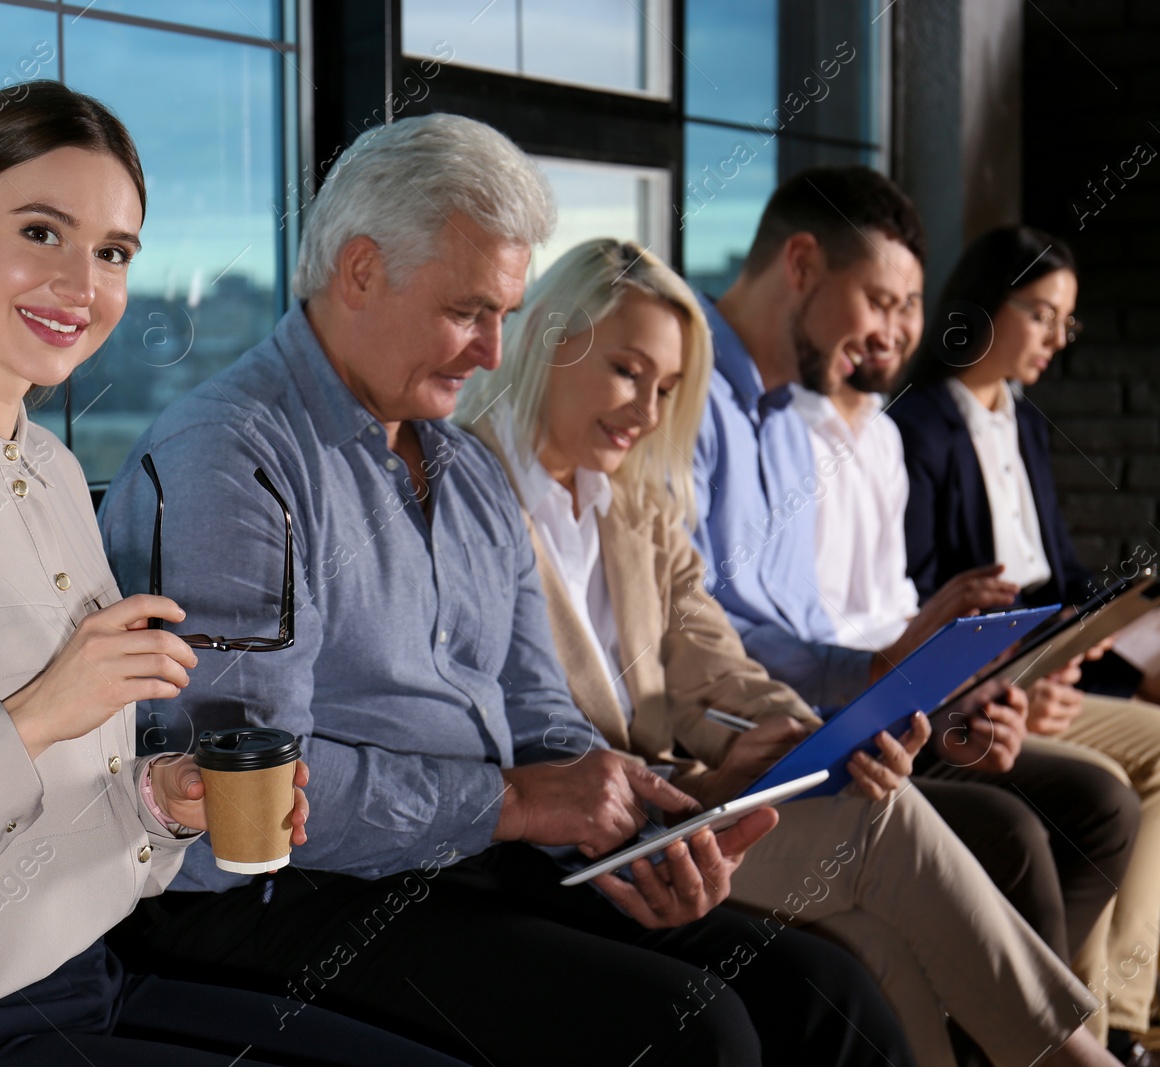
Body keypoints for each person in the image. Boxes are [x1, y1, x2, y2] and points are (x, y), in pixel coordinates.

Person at [100, 114, 915, 1067]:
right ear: (361, 270)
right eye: (468, 311)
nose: (493, 352)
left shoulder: (468, 470)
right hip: (276, 898)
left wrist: (629, 820)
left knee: (829, 997)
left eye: (504, 316)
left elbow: (536, 708)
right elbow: (246, 797)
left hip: (471, 860)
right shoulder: (234, 460)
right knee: (697, 1030)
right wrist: (519, 805)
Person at [0, 82, 470, 1067]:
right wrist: (40, 710)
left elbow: (49, 805)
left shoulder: (48, 470)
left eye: (113, 251)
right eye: (42, 231)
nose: (82, 282)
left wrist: (160, 799)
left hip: (81, 978)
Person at [457, 236, 1111, 1067]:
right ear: (550, 342)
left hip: (681, 816)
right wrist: (717, 780)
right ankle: (1077, 1058)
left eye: (665, 388)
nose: (650, 413)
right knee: (883, 826)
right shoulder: (471, 499)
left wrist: (823, 742)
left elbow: (720, 668)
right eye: (629, 372)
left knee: (873, 938)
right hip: (580, 844)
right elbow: (514, 734)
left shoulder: (637, 512)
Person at [687, 165, 1140, 1011]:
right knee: (1030, 826)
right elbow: (717, 639)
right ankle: (1058, 1029)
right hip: (789, 721)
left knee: (1090, 804)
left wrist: (946, 684)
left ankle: (1056, 1026)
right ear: (800, 264)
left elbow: (843, 618)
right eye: (882, 302)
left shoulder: (794, 418)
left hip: (853, 697)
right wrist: (900, 674)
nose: (896, 330)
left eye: (908, 308)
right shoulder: (734, 408)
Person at [892, 225, 1160, 1064]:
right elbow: (926, 596)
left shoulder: (1022, 420)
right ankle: (1084, 1024)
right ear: (983, 307)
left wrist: (1114, 627)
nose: (1053, 337)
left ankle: (1121, 1012)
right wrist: (1018, 672)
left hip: (1046, 661)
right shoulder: (919, 426)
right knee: (1111, 784)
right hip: (983, 680)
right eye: (1041, 314)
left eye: (1064, 322)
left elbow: (1064, 573)